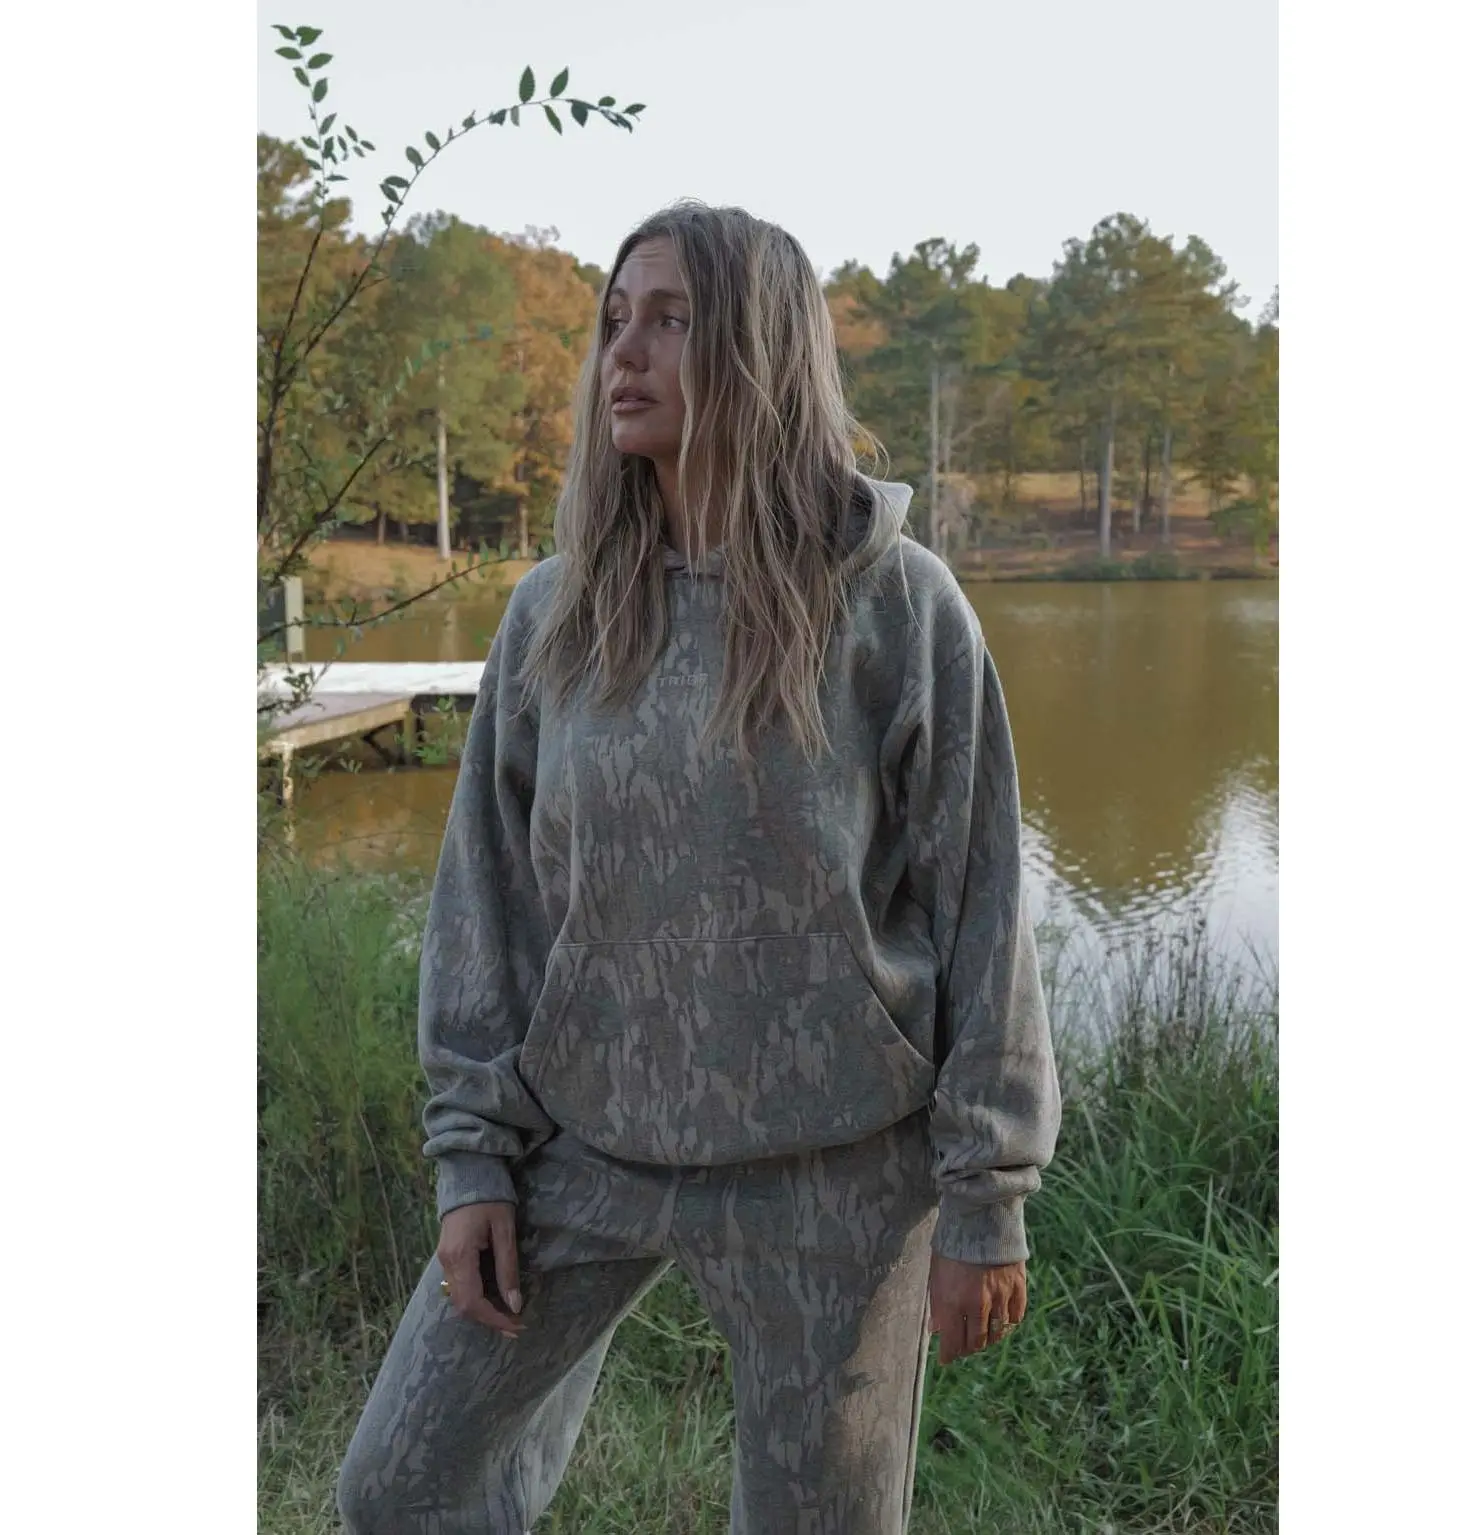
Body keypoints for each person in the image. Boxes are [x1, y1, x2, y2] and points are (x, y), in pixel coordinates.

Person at [337, 202, 1061, 1535]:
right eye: (615, 320)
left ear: (762, 350)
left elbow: (982, 908)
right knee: (403, 1484)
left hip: (835, 1168)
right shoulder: (554, 613)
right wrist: (473, 1160)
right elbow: (489, 902)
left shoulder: (895, 605)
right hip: (585, 1139)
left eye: (670, 319)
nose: (623, 352)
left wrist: (986, 1197)